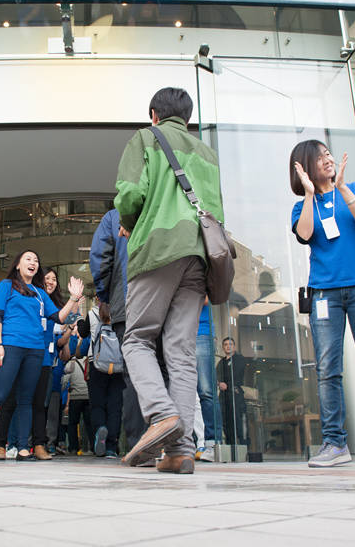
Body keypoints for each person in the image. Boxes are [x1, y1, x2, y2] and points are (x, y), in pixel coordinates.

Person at [116, 87, 224, 474]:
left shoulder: (145, 138)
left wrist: (131, 225)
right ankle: (180, 450)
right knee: (181, 352)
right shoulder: (206, 152)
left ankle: (161, 414)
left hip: (158, 246)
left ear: (153, 114)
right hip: (199, 254)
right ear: (187, 118)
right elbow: (216, 210)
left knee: (137, 338)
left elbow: (129, 196)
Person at [290, 139, 355, 468]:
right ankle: (335, 443)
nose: (327, 159)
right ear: (306, 166)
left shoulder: (354, 189)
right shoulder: (300, 206)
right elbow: (305, 234)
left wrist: (342, 189)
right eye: (319, 156)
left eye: (328, 154)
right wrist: (310, 194)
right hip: (324, 293)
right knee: (327, 371)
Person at [0, 250, 84, 461]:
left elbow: (59, 317)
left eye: (36, 260)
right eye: (28, 259)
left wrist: (73, 298)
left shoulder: (40, 293)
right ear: (18, 265)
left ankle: (23, 448)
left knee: (26, 400)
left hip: (35, 350)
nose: (33, 262)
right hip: (11, 346)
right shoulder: (6, 285)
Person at [0, 267, 66, 461]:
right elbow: (1, 316)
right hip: (20, 354)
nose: (51, 282)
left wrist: (74, 301)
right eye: (47, 278)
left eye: (54, 279)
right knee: (9, 401)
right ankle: (1, 444)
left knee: (39, 404)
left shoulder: (49, 303)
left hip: (44, 359)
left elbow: (61, 319)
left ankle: (38, 445)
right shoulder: (28, 296)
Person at [90, 208, 145, 451]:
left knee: (134, 374)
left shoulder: (114, 217)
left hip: (127, 299)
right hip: (164, 301)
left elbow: (100, 259)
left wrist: (105, 296)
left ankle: (140, 444)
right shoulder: (161, 206)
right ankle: (175, 443)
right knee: (168, 370)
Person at [87, 301, 125, 457]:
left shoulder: (92, 314)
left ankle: (100, 429)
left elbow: (82, 333)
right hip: (118, 365)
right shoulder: (123, 312)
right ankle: (111, 446)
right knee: (115, 407)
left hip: (97, 364)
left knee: (97, 404)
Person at [195, 299, 217, 461]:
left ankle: (212, 442)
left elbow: (207, 298)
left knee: (206, 390)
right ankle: (194, 442)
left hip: (201, 332)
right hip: (179, 333)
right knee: (186, 394)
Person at [216, 338, 247, 446]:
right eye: (225, 344)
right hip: (223, 395)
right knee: (225, 421)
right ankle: (230, 447)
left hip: (235, 393)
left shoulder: (239, 359)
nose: (228, 346)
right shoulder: (221, 362)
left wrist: (227, 384)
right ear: (223, 347)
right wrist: (219, 383)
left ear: (234, 346)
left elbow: (236, 375)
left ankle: (242, 448)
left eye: (230, 344)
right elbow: (217, 377)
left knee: (237, 422)